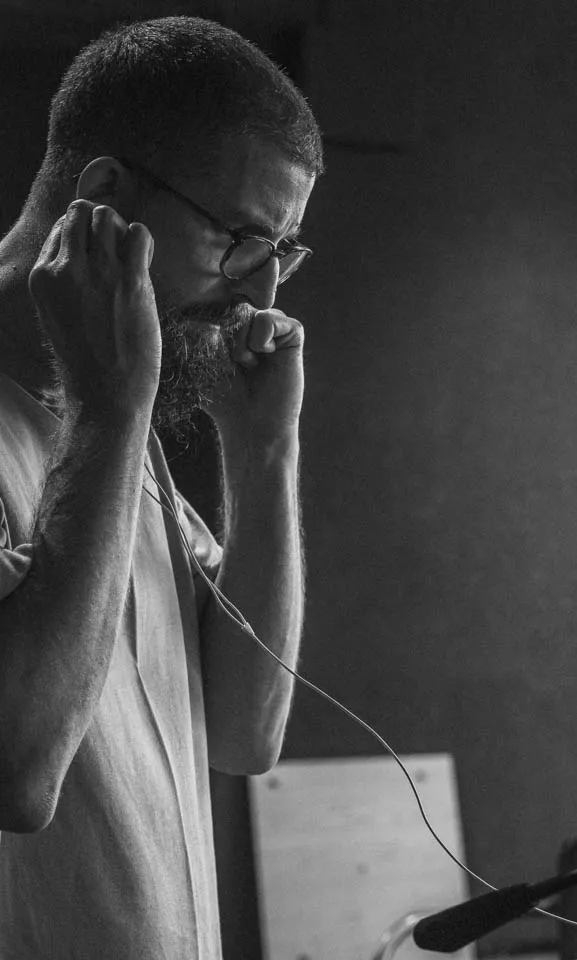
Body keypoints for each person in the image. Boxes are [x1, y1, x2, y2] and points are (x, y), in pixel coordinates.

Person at [0, 17, 322, 958]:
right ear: (101, 197)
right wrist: (108, 411)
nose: (262, 292)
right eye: (242, 239)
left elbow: (244, 733)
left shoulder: (114, 415)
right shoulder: (110, 408)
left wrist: (265, 453)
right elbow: (17, 770)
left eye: (282, 252)